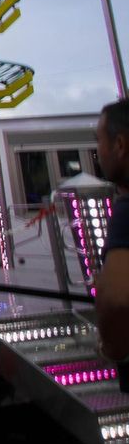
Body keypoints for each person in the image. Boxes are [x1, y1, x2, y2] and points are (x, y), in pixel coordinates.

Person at [94, 98, 129, 363]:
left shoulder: (126, 210)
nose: (98, 152)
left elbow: (116, 300)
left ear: (119, 145)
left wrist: (110, 349)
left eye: (100, 141)